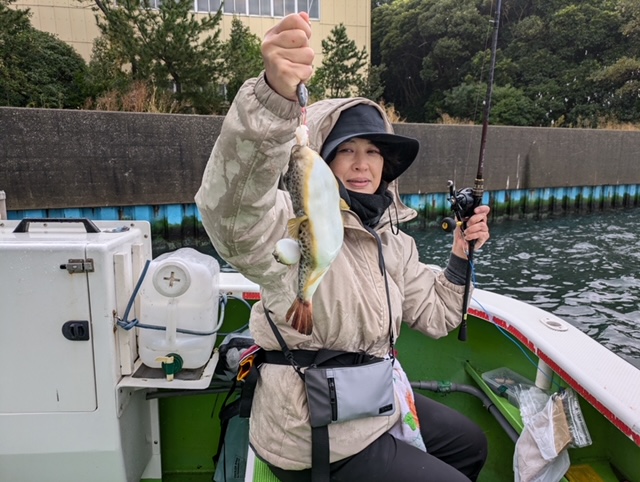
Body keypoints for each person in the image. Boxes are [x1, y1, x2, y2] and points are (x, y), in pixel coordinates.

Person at [196, 12, 491, 482]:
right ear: (321, 160)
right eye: (346, 150)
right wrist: (274, 98)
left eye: (374, 152)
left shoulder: (391, 238)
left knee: (471, 444)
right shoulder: (291, 225)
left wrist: (460, 253)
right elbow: (234, 213)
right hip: (310, 433)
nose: (361, 164)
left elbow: (437, 316)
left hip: (373, 404)